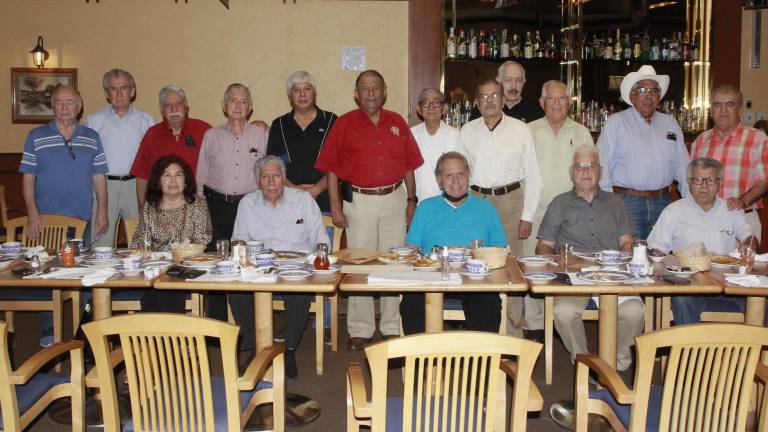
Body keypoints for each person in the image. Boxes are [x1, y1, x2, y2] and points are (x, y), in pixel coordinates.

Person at [315, 70, 423, 351]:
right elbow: (332, 170)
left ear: (384, 91)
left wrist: (412, 201)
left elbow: (409, 166)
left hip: (394, 200)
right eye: (365, 88)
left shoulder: (398, 122)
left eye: (376, 88)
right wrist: (336, 206)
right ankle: (361, 328)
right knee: (359, 265)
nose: (371, 93)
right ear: (356, 93)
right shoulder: (344, 124)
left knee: (393, 264)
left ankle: (390, 326)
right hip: (359, 203)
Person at [536, 145, 644, 374]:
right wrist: (559, 263)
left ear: (601, 171)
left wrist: (623, 258)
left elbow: (627, 242)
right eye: (579, 167)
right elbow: (543, 246)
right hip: (575, 276)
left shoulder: (616, 203)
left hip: (612, 274)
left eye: (591, 166)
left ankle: (615, 363)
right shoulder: (559, 203)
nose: (585, 172)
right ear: (571, 172)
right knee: (563, 313)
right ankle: (586, 365)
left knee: (635, 310)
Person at [19, 84, 109, 346]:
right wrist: (32, 214)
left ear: (79, 106)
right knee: (48, 274)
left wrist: (102, 210)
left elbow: (98, 176)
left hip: (83, 220)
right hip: (48, 221)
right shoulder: (35, 136)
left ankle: (83, 330)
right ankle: (50, 331)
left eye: (71, 102)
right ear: (53, 106)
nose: (65, 107)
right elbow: (27, 179)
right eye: (59, 102)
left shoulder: (91, 137)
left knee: (83, 273)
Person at [232, 155, 329, 382]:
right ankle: (258, 348)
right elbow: (239, 242)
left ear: (284, 178)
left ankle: (290, 350)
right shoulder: (247, 204)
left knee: (299, 294)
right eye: (265, 177)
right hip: (259, 267)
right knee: (234, 291)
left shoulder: (303, 200)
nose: (272, 182)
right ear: (258, 181)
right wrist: (246, 260)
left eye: (276, 176)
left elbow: (320, 239)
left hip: (296, 267)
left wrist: (313, 260)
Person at [458, 78, 542, 337]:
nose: (490, 101)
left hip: (511, 201)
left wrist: (527, 216)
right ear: (476, 102)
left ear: (503, 100)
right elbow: (460, 175)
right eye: (483, 97)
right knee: (476, 265)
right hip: (477, 201)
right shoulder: (467, 131)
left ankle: (513, 334)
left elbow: (534, 177)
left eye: (495, 96)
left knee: (510, 268)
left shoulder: (520, 130)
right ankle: (482, 331)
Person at [400, 152, 507, 334]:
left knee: (488, 303)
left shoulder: (486, 208)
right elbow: (411, 248)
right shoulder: (426, 207)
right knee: (412, 303)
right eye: (449, 176)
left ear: (468, 176)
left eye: (461, 174)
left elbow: (501, 249)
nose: (456, 181)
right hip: (432, 278)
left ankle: (481, 360)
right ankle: (421, 359)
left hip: (475, 279)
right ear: (439, 180)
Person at [523, 80, 594, 342]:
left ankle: (561, 318)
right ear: (542, 103)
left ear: (569, 102)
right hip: (537, 211)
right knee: (535, 267)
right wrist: (525, 214)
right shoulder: (528, 131)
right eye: (550, 98)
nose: (556, 103)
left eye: (562, 98)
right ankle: (535, 324)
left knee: (567, 267)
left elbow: (591, 174)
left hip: (572, 214)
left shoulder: (582, 132)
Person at [647, 158, 755, 325]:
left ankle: (751, 350)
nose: (704, 185)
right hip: (690, 286)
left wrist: (748, 245)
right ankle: (688, 351)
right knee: (682, 300)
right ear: (689, 183)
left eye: (710, 180)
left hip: (728, 287)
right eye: (697, 180)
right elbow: (654, 250)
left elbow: (750, 237)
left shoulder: (731, 209)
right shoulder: (674, 211)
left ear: (719, 184)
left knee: (762, 302)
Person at [197, 83, 268, 333]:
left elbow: (269, 171)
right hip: (217, 207)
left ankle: (247, 325)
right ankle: (217, 324)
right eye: (233, 101)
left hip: (249, 206)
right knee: (219, 261)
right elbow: (201, 174)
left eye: (243, 101)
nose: (238, 105)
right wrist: (200, 208)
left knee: (248, 261)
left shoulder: (261, 134)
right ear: (224, 106)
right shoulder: (212, 135)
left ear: (250, 108)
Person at [597, 65, 690, 240]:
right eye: (642, 90)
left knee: (661, 257)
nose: (649, 96)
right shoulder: (616, 123)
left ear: (659, 97)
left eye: (654, 90)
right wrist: (609, 206)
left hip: (663, 201)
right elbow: (602, 167)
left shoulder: (670, 123)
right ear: (632, 96)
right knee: (629, 257)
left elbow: (684, 167)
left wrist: (691, 204)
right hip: (627, 203)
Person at [130, 156, 212, 313]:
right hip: (154, 271)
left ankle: (162, 334)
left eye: (178, 175)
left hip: (186, 269)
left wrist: (175, 257)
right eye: (167, 175)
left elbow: (202, 239)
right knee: (159, 288)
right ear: (158, 181)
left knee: (167, 288)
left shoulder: (197, 204)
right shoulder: (150, 207)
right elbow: (139, 242)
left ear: (186, 180)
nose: (173, 180)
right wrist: (152, 258)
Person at [690, 85, 768, 244]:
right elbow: (691, 181)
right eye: (718, 105)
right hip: (704, 219)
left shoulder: (758, 140)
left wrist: (742, 201)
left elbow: (764, 180)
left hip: (743, 218)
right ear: (711, 109)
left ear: (739, 108)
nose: (723, 110)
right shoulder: (700, 141)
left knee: (744, 268)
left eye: (729, 104)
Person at [85, 69, 154, 247]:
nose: (119, 94)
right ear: (107, 94)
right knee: (101, 243)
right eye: (113, 89)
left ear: (132, 91)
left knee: (141, 243)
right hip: (104, 186)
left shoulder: (146, 121)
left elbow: (151, 161)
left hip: (135, 186)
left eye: (124, 88)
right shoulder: (94, 121)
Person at [266, 71, 336, 213]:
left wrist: (315, 190)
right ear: (290, 96)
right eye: (297, 90)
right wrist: (293, 190)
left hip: (324, 203)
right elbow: (272, 165)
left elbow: (338, 164)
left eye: (307, 89)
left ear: (314, 93)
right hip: (287, 202)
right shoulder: (279, 124)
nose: (302, 95)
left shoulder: (332, 121)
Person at [130, 85, 212, 207]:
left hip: (197, 206)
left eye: (178, 104)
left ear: (186, 107)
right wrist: (142, 209)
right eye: (168, 105)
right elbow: (142, 176)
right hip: (161, 207)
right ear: (162, 110)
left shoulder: (204, 131)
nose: (174, 109)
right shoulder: (152, 135)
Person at [411, 88, 459, 202]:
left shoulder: (456, 136)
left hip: (446, 202)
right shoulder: (410, 135)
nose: (431, 107)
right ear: (419, 109)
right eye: (426, 103)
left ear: (444, 108)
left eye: (436, 102)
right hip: (417, 201)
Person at [468, 61, 545, 123]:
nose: (513, 86)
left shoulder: (536, 111)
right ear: (498, 81)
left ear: (524, 82)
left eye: (518, 80)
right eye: (508, 80)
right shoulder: (485, 109)